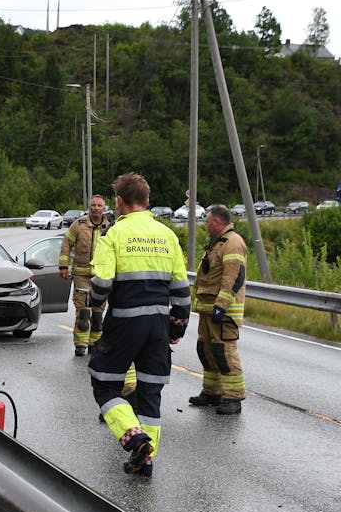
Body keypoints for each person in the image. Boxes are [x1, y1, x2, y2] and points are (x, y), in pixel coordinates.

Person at [88, 172, 191, 478]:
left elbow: (102, 286)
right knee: (150, 394)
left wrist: (92, 299)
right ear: (147, 201)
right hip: (158, 327)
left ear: (119, 202)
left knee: (104, 385)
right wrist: (176, 329)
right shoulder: (168, 236)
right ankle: (144, 461)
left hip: (124, 324)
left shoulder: (113, 235)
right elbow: (183, 294)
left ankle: (134, 438)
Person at [189, 204, 248, 415]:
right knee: (206, 351)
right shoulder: (217, 243)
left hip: (223, 312)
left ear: (217, 221)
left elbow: (233, 277)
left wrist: (221, 305)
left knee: (224, 353)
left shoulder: (232, 243)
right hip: (208, 310)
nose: (205, 225)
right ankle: (212, 392)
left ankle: (233, 398)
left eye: (207, 221)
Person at [59, 195, 111, 356]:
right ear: (89, 207)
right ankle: (80, 344)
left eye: (99, 205)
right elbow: (67, 242)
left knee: (97, 314)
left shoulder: (110, 227)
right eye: (93, 205)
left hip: (101, 277)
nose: (96, 208)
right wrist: (63, 265)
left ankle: (94, 343)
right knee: (83, 312)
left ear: (104, 208)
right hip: (81, 275)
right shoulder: (79, 225)